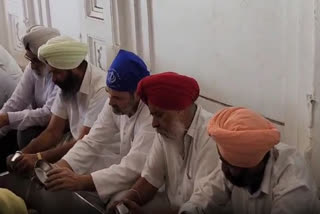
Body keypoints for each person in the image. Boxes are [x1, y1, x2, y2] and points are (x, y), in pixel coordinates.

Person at [44, 49, 155, 205]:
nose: (110, 102)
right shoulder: (114, 102)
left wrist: (81, 182)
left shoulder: (152, 117)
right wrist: (61, 167)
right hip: (125, 170)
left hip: (151, 186)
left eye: (117, 97)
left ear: (137, 94)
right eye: (109, 94)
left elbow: (133, 167)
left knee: (117, 203)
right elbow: (92, 141)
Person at [109, 72, 219, 213]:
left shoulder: (211, 137)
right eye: (152, 115)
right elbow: (150, 178)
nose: (154, 123)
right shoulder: (167, 131)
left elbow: (200, 204)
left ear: (181, 110)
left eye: (159, 115)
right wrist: (125, 203)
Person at [181, 107, 320, 214]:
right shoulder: (230, 164)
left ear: (262, 159)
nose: (230, 172)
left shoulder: (292, 178)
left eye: (239, 167)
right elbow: (204, 196)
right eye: (225, 162)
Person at [8, 36, 108, 175]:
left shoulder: (101, 89)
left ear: (73, 68)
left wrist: (37, 158)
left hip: (99, 156)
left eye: (57, 73)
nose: (53, 79)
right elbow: (53, 132)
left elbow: (85, 142)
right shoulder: (67, 85)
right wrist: (21, 154)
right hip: (76, 148)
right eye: (51, 72)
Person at [0, 26, 59, 172]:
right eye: (29, 59)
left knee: (24, 132)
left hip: (59, 129)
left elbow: (48, 114)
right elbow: (16, 102)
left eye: (35, 60)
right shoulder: (33, 69)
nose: (31, 65)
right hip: (37, 124)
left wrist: (7, 119)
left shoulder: (61, 75)